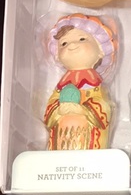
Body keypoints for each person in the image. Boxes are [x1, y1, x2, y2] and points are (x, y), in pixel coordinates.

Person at [45, 13, 116, 150]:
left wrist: (83, 110)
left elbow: (104, 107)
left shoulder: (95, 85)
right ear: (58, 56)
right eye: (64, 43)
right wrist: (58, 109)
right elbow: (49, 111)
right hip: (61, 140)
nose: (72, 45)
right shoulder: (61, 87)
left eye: (82, 39)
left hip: (88, 140)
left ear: (101, 51)